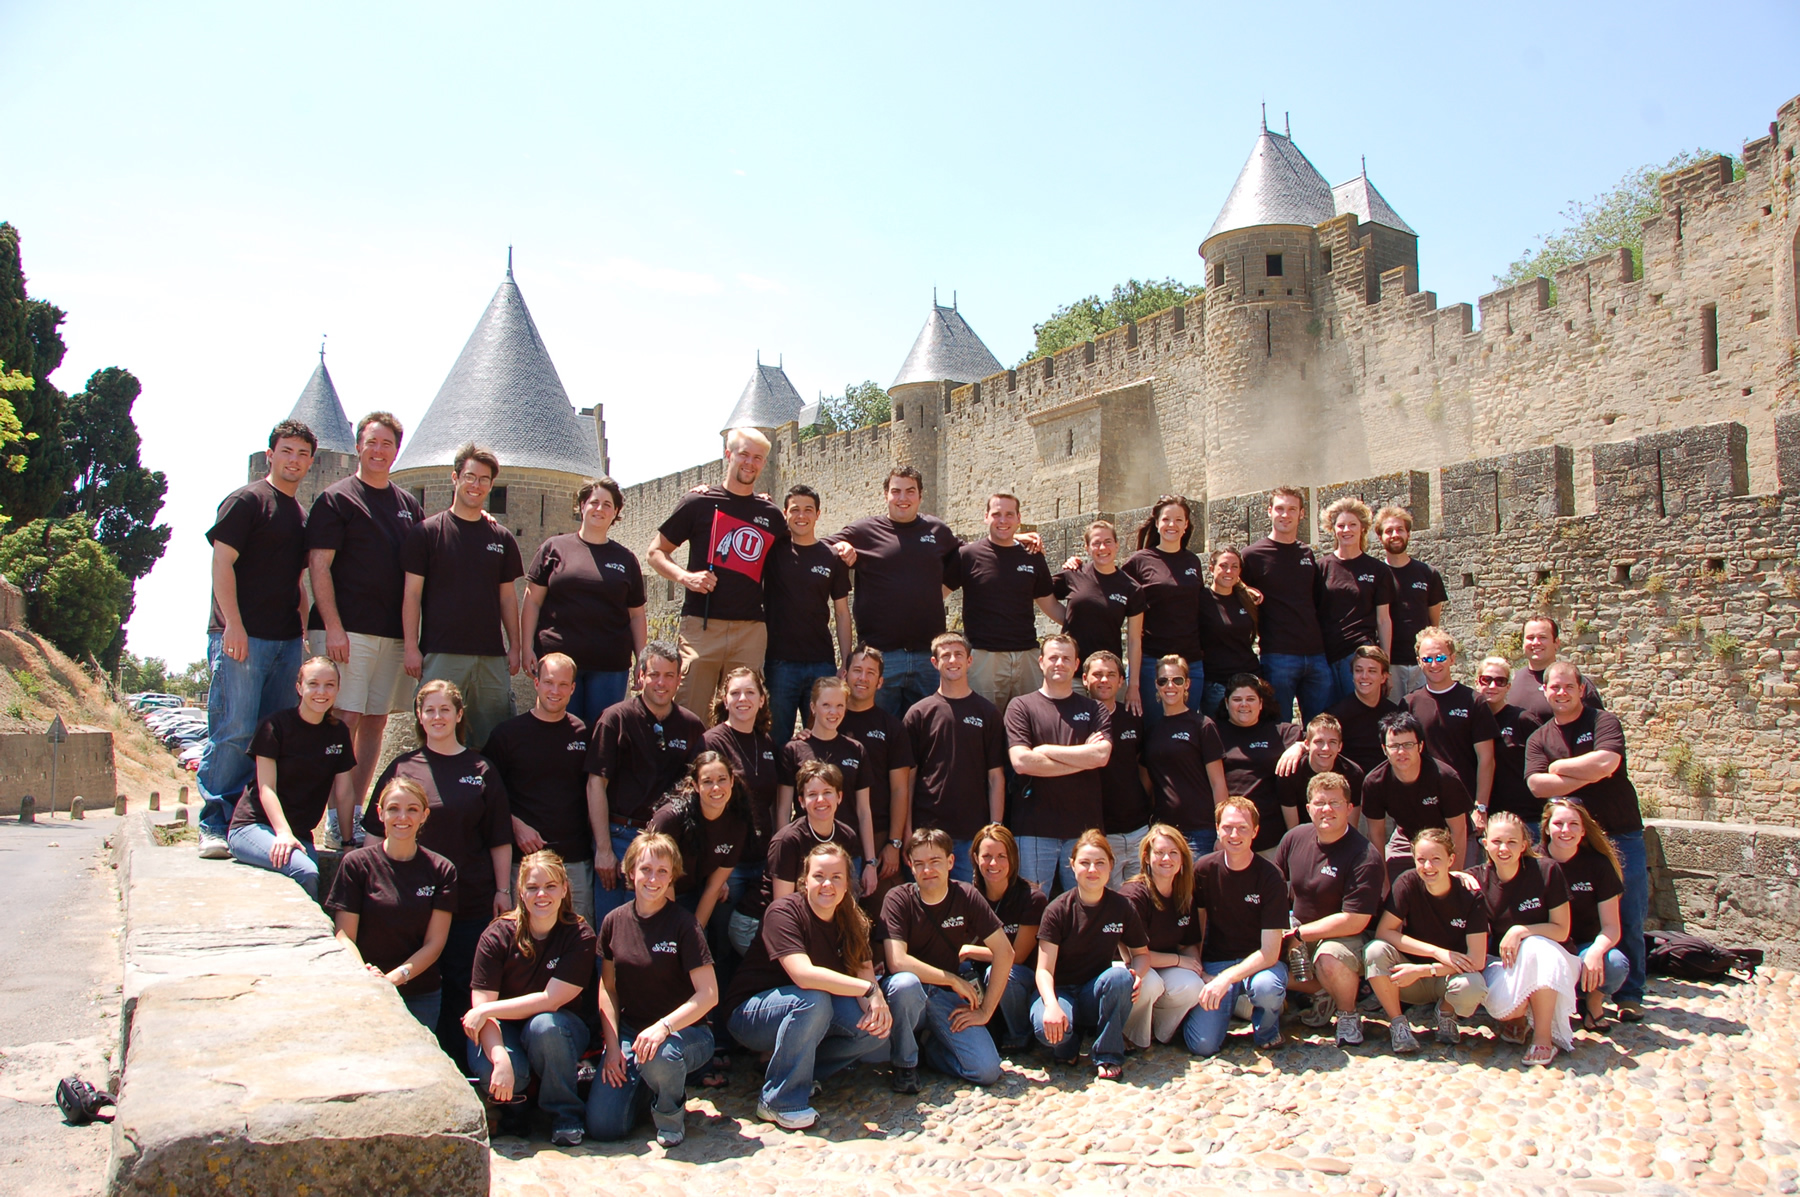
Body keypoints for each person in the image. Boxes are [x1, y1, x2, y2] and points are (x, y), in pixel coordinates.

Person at [362, 679, 513, 1060]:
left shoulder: (481, 768)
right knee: (418, 984)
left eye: (445, 709)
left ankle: (466, 1071)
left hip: (471, 899)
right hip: (412, 904)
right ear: (418, 716)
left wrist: (502, 890)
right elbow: (372, 834)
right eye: (429, 709)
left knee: (465, 988)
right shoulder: (403, 767)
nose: (437, 717)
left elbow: (498, 837)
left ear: (459, 715)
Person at [198, 419, 316, 858]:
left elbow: (296, 582)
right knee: (233, 729)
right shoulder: (247, 500)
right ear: (271, 455)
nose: (295, 461)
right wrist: (233, 625)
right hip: (242, 638)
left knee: (270, 738)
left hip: (284, 640)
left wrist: (303, 634)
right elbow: (221, 564)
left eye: (303, 454)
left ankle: (249, 823)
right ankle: (213, 823)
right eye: (287, 451)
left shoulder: (300, 515)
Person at [305, 412, 425, 827]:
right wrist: (332, 626)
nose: (378, 451)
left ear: (396, 450)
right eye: (371, 442)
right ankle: (329, 816)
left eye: (387, 444)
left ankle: (353, 812)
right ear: (358, 446)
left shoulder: (408, 506)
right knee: (344, 722)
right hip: (347, 632)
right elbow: (319, 566)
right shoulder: (337, 498)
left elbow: (429, 556)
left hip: (390, 635)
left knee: (374, 722)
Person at [724, 842, 892, 1130]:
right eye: (819, 876)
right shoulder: (783, 912)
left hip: (809, 1009)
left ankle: (799, 1074)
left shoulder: (851, 917)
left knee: (872, 1030)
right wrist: (868, 990)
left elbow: (863, 969)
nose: (827, 884)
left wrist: (877, 1006)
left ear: (847, 883)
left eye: (836, 877)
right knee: (813, 997)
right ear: (805, 880)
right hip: (750, 1014)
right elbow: (803, 975)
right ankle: (778, 1100)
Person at [1525, 660, 1647, 1021]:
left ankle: (1630, 993)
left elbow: (1608, 762)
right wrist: (1590, 771)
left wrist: (1560, 769)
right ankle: (1578, 993)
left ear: (1581, 689)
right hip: (1567, 838)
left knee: (1629, 912)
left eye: (1568, 686)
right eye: (1554, 687)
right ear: (1545, 692)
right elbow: (1535, 786)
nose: (1561, 692)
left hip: (1620, 831)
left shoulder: (1602, 721)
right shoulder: (1539, 737)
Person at [587, 832, 718, 1147]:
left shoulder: (685, 925)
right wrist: (613, 1046)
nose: (653, 878)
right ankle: (651, 1082)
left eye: (662, 871)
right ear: (630, 872)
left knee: (659, 1054)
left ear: (672, 875)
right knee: (604, 1127)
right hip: (632, 1035)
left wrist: (663, 1027)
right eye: (645, 869)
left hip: (685, 1034)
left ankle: (670, 1114)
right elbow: (607, 987)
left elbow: (708, 994)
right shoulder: (613, 922)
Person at [647, 428, 787, 721]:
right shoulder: (697, 503)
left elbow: (796, 552)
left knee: (745, 717)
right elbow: (656, 553)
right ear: (728, 455)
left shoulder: (771, 514)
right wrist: (685, 577)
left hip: (750, 631)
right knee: (689, 713)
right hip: (701, 627)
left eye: (758, 458)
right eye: (744, 454)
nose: (750, 463)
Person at [465, 850, 596, 1147]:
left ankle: (566, 1114)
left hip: (559, 1026)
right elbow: (481, 1008)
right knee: (497, 1068)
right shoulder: (497, 935)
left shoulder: (580, 935)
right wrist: (500, 1058)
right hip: (502, 1027)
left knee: (544, 1027)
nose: (542, 895)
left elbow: (551, 1000)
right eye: (533, 887)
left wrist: (486, 1010)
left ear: (564, 889)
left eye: (550, 886)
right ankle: (517, 1109)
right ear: (520, 891)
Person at [400, 443, 524, 752]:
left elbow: (508, 598)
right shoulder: (427, 533)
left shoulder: (501, 538)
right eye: (470, 476)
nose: (476, 484)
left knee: (493, 736)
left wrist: (515, 647)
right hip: (442, 652)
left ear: (491, 485)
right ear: (455, 478)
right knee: (436, 733)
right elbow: (412, 595)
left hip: (490, 656)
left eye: (484, 479)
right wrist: (411, 648)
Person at [880, 829, 1013, 1089]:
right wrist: (952, 979)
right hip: (908, 998)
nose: (927, 870)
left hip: (946, 1000)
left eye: (935, 862)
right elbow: (897, 961)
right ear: (910, 865)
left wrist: (986, 1012)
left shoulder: (966, 896)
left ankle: (931, 1052)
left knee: (986, 1070)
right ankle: (905, 1065)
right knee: (904, 983)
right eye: (919, 864)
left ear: (950, 862)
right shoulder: (898, 899)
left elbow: (1005, 952)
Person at [827, 467, 962, 716]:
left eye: (910, 491)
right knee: (877, 734)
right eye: (896, 491)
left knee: (928, 735)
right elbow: (821, 547)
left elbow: (972, 555)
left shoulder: (937, 530)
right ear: (885, 494)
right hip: (881, 658)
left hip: (927, 657)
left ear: (921, 496)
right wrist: (841, 545)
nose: (903, 498)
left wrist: (1016, 540)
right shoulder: (865, 531)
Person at [586, 642, 706, 923]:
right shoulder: (616, 719)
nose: (661, 683)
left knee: (657, 931)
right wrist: (603, 849)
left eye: (669, 675)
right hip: (620, 838)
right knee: (613, 930)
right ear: (640, 676)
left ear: (679, 679)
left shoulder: (691, 726)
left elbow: (701, 791)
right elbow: (595, 785)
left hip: (668, 841)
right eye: (654, 674)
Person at [328, 776, 458, 1029]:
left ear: (424, 815)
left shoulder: (442, 870)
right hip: (364, 987)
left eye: (412, 810)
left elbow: (435, 943)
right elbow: (344, 935)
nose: (402, 817)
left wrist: (395, 978)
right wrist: (367, 976)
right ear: (380, 813)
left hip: (420, 994)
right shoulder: (356, 864)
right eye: (394, 809)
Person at [521, 476, 647, 724]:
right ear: (581, 506)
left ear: (616, 513)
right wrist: (526, 647)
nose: (599, 509)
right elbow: (532, 600)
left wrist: (641, 661)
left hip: (609, 665)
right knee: (560, 732)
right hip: (559, 664)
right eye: (594, 502)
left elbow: (636, 615)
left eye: (607, 505)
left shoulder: (626, 559)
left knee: (603, 734)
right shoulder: (554, 548)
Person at [227, 656, 357, 896]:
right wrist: (283, 833)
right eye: (313, 684)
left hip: (299, 833)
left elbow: (345, 793)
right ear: (299, 688)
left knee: (324, 881)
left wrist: (348, 843)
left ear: (338, 689)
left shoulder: (338, 732)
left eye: (329, 685)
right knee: (306, 872)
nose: (321, 691)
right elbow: (267, 788)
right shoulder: (274, 726)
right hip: (254, 827)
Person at [483, 653, 596, 925]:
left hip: (574, 861)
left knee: (579, 939)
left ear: (572, 688)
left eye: (562, 684)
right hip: (522, 864)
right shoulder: (507, 735)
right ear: (536, 683)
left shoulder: (585, 734)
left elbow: (596, 792)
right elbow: (486, 795)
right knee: (520, 940)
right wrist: (514, 825)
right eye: (548, 682)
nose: (554, 691)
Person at [1272, 772, 1385, 1045]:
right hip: (1298, 929)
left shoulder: (1364, 854)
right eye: (1320, 803)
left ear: (1349, 808)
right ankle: (1323, 993)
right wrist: (1281, 929)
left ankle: (1348, 1013)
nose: (1327, 810)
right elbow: (1274, 889)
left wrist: (1299, 935)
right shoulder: (1293, 838)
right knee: (1256, 961)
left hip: (1345, 939)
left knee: (1328, 958)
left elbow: (1354, 920)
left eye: (1335, 803)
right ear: (1308, 808)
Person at [1032, 832, 1149, 1081]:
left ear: (1111, 866)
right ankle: (1068, 1042)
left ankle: (1108, 1053)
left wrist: (1136, 975)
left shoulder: (1122, 907)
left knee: (1120, 976)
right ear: (1072, 865)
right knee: (1050, 1032)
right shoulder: (1057, 910)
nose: (1092, 870)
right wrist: (1051, 1005)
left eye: (1100, 863)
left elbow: (1141, 954)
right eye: (1084, 862)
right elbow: (1043, 970)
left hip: (1093, 992)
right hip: (1060, 991)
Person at [1363, 827, 1489, 1053]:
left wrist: (1426, 969)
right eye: (1421, 859)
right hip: (1408, 975)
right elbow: (1385, 931)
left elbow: (1477, 960)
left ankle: (1447, 1012)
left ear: (1451, 860)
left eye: (1436, 859)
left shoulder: (1471, 895)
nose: (1428, 867)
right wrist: (1435, 952)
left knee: (1473, 985)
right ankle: (1398, 1023)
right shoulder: (1408, 882)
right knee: (1375, 950)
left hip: (1447, 975)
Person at [1006, 633, 1114, 891]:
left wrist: (1044, 750)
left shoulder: (1095, 709)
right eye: (1053, 657)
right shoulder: (1021, 706)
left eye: (1066, 658)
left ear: (1076, 665)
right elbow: (1021, 761)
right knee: (1032, 907)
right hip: (1033, 829)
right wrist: (1083, 759)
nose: (1059, 663)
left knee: (1085, 907)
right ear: (1041, 662)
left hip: (1084, 830)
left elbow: (1101, 756)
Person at [1471, 813, 1580, 1066]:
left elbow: (1562, 930)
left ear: (1523, 845)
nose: (1504, 848)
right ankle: (1518, 1021)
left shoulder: (1546, 870)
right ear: (1485, 844)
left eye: (1511, 842)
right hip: (1509, 964)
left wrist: (1521, 930)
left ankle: (1543, 1038)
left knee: (1535, 946)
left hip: (1557, 962)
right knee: (1504, 1005)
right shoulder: (1476, 879)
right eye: (1497, 841)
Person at [1185, 798, 1290, 1054]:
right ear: (1217, 829)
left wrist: (1225, 980)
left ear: (1255, 831)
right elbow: (1197, 927)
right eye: (1228, 827)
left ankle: (1267, 1029)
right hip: (1217, 960)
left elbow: (1269, 952)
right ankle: (1236, 1005)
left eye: (1243, 828)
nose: (1234, 835)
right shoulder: (1204, 869)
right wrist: (1201, 972)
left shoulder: (1270, 876)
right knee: (1202, 1046)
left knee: (1266, 988)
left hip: (1260, 963)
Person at [737, 761, 870, 956]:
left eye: (827, 792)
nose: (820, 800)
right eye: (812, 794)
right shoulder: (787, 840)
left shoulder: (847, 836)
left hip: (811, 920)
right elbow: (782, 905)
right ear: (800, 801)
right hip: (755, 923)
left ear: (839, 797)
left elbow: (843, 893)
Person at [904, 632, 1006, 880]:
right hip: (926, 834)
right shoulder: (919, 713)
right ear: (934, 662)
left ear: (969, 661)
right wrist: (906, 832)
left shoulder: (987, 713)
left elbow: (996, 777)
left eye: (959, 654)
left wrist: (994, 830)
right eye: (945, 655)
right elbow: (906, 780)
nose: (952, 660)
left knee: (968, 912)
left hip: (972, 835)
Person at [763, 484, 852, 740]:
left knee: (822, 738)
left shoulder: (832, 557)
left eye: (808, 510)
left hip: (821, 662)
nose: (801, 516)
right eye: (795, 510)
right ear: (785, 514)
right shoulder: (773, 552)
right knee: (777, 739)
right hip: (779, 663)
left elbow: (842, 613)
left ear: (818, 514)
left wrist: (845, 660)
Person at [1240, 486, 1330, 725]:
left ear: (1301, 514)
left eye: (1292, 509)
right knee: (1278, 727)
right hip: (1278, 655)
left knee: (1320, 726)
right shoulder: (1252, 555)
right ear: (1269, 512)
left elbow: (1317, 602)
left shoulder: (1307, 554)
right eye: (1279, 508)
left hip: (1316, 656)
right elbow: (1232, 594)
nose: (1285, 515)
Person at [1541, 797, 1631, 1031]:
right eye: (1558, 824)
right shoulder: (1533, 863)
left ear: (1583, 831)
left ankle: (1592, 1003)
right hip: (1545, 949)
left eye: (1573, 824)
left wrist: (1595, 951)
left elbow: (1611, 926)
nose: (1565, 830)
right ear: (1547, 828)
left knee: (1615, 963)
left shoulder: (1598, 866)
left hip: (1583, 947)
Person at [700, 666, 780, 915]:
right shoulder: (712, 742)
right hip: (728, 866)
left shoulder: (766, 742)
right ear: (725, 699)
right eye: (735, 693)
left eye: (750, 692)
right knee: (724, 945)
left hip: (763, 860)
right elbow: (702, 807)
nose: (743, 699)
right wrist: (715, 872)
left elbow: (774, 802)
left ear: (762, 699)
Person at [1121, 496, 1205, 727]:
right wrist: (1075, 565)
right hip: (1152, 662)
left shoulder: (1192, 562)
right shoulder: (1140, 561)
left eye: (1179, 519)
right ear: (1156, 522)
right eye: (1166, 519)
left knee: (1186, 730)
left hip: (1191, 663)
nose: (1172, 525)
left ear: (1186, 525)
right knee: (1151, 732)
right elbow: (1109, 584)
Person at [648, 752, 751, 939]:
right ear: (695, 785)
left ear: (732, 781)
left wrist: (694, 934)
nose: (716, 787)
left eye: (722, 779)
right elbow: (662, 878)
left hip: (693, 894)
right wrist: (675, 931)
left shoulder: (737, 823)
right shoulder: (670, 819)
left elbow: (714, 886)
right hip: (655, 893)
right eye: (707, 781)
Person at [839, 647, 915, 898]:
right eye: (857, 671)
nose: (863, 678)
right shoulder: (830, 719)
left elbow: (900, 788)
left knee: (887, 922)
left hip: (880, 834)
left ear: (880, 682)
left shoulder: (892, 727)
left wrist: (894, 843)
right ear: (845, 674)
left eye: (870, 673)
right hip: (834, 832)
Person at [1120, 825, 1203, 1050]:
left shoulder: (1183, 893)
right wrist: (1179, 961)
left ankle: (1158, 1031)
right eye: (1159, 852)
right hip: (1129, 965)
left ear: (1183, 859)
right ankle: (1129, 1034)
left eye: (1173, 853)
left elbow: (1188, 944)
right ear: (1146, 857)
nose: (1166, 858)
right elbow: (1134, 954)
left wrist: (1198, 969)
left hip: (1163, 962)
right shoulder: (1134, 894)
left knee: (1193, 984)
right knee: (1150, 984)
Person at [1363, 710, 1472, 880]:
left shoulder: (1445, 777)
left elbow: (1458, 830)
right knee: (1392, 888)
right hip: (1408, 838)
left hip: (1451, 838)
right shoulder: (1374, 783)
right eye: (1394, 746)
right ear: (1384, 749)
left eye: (1408, 745)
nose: (1401, 752)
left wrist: (1452, 879)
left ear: (1420, 746)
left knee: (1456, 887)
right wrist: (1383, 883)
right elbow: (1376, 834)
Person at [965, 824, 1046, 1051]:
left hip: (1022, 980)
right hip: (979, 979)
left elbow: (1017, 957)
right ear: (975, 858)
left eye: (1002, 856)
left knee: (1002, 972)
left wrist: (968, 951)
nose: (994, 864)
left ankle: (1020, 1035)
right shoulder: (968, 897)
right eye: (987, 856)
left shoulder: (1031, 898)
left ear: (1013, 858)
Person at [1405, 628, 1498, 819]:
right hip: (1422, 807)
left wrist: (1481, 807)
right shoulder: (1409, 703)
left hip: (1464, 807)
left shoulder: (1473, 701)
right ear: (1419, 662)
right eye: (1427, 659)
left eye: (1440, 658)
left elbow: (1486, 759)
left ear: (1452, 659)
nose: (1434, 664)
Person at [777, 676, 871, 865]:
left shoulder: (856, 750)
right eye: (826, 705)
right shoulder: (794, 750)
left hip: (848, 854)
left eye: (839, 705)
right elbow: (783, 809)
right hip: (805, 853)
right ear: (813, 707)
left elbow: (863, 810)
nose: (833, 712)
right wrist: (784, 854)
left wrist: (870, 861)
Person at [1140, 655, 1226, 859]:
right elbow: (1147, 783)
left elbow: (1218, 782)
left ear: (1187, 684)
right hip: (1163, 831)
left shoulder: (1202, 725)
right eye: (1163, 681)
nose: (1170, 686)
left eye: (1177, 680)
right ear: (1156, 685)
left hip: (1200, 831)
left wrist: (1222, 829)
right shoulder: (1151, 731)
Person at [1081, 651, 1152, 884]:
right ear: (1084, 679)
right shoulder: (1076, 721)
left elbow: (1143, 766)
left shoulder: (1133, 717)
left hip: (1137, 829)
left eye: (1111, 675)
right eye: (1098, 674)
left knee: (1141, 902)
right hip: (1097, 832)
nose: (1104, 680)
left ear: (1121, 681)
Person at [1317, 497, 1395, 707]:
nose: (1346, 530)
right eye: (1341, 525)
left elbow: (1384, 619)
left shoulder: (1377, 570)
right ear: (1333, 529)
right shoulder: (1321, 568)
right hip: (1325, 656)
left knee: (1359, 713)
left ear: (1362, 529)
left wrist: (1384, 664)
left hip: (1358, 653)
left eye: (1352, 525)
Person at [1213, 674, 1302, 854]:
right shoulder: (1213, 732)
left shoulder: (1282, 733)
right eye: (1237, 699)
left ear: (1261, 703)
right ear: (1227, 702)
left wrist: (1299, 746)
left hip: (1271, 837)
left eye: (1251, 699)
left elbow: (1318, 741)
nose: (1244, 704)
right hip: (1230, 835)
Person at [1052, 520, 1145, 691]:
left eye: (1108, 542)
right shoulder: (1073, 575)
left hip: (1108, 677)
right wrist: (1067, 620)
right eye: (1096, 543)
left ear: (1117, 545)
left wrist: (1133, 686)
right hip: (1073, 675)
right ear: (1087, 548)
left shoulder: (1131, 588)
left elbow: (1134, 640)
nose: (1102, 548)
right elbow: (1040, 593)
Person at [1375, 506, 1445, 701]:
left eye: (1400, 530)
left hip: (1421, 664)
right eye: (1388, 531)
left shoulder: (1428, 574)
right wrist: (1384, 668)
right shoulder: (1376, 575)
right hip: (1391, 665)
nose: (1395, 535)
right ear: (1380, 537)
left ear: (1408, 534)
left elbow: (1434, 624)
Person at [1474, 656, 1540, 836]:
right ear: (1477, 682)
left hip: (1525, 817)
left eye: (1500, 681)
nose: (1492, 686)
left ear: (1508, 687)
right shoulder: (1470, 721)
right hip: (1485, 818)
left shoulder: (1523, 720)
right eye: (1486, 680)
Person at [1195, 544, 1260, 718]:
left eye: (1234, 567)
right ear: (1211, 568)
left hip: (1249, 680)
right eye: (1223, 566)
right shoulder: (1201, 600)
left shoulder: (1245, 599)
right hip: (1217, 683)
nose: (1228, 571)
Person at [1507, 616, 1604, 722]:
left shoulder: (1575, 683)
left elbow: (1599, 725)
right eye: (1530, 638)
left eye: (1542, 637)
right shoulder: (1510, 682)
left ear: (1556, 643)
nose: (1536, 642)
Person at [1275, 714, 1364, 828]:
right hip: (1304, 834)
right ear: (1306, 744)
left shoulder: (1353, 773)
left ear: (1340, 746)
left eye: (1332, 742)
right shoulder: (1290, 772)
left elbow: (1351, 827)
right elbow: (1293, 829)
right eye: (1319, 741)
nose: (1325, 748)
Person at [1323, 646, 1401, 775]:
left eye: (1372, 671)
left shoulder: (1394, 713)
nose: (1364, 676)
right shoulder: (1336, 715)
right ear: (1352, 676)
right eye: (1359, 670)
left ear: (1384, 677)